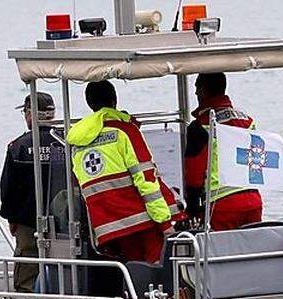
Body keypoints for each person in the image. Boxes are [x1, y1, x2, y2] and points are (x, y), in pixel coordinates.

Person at [66, 81, 185, 266]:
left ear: (89, 103)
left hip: (110, 227)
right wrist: (165, 224)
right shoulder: (125, 131)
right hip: (142, 221)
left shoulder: (78, 143)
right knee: (158, 269)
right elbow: (146, 181)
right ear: (114, 100)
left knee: (135, 270)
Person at [0, 92, 62, 292]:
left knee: (26, 275)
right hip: (63, 223)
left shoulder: (18, 147)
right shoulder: (66, 143)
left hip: (27, 222)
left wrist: (11, 219)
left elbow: (7, 188)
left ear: (30, 114)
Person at [183, 72, 264, 231]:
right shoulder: (248, 121)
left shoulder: (200, 126)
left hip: (221, 205)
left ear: (204, 91)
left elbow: (194, 174)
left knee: (222, 252)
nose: (195, 93)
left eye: (197, 89)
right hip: (253, 199)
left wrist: (192, 209)